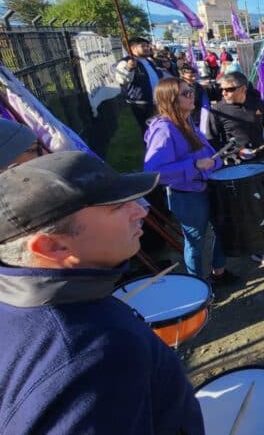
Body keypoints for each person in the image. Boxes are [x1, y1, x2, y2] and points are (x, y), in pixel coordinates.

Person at [0, 151, 205, 433]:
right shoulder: (95, 356)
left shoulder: (18, 306)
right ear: (53, 247)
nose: (141, 211)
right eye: (117, 206)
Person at [144, 78, 237, 285]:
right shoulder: (164, 129)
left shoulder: (186, 122)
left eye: (191, 91)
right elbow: (153, 172)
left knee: (223, 229)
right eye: (186, 93)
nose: (192, 95)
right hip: (187, 197)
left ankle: (219, 273)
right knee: (195, 243)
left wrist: (219, 160)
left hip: (207, 188)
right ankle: (197, 288)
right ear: (171, 100)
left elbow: (206, 155)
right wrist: (194, 165)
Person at [206, 72, 264, 266]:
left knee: (263, 204)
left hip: (260, 161)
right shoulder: (218, 110)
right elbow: (211, 143)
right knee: (248, 209)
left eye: (229, 89)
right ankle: (257, 249)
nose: (224, 93)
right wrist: (235, 152)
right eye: (222, 89)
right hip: (236, 167)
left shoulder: (257, 103)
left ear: (243, 89)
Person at [114, 36, 164, 134]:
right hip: (141, 103)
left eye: (147, 46)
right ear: (132, 48)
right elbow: (122, 79)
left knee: (161, 126)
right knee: (149, 130)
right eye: (143, 46)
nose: (147, 48)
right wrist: (129, 68)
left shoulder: (149, 61)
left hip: (157, 100)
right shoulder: (125, 62)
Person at [179, 64, 209, 132]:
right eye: (190, 76)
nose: (194, 78)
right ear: (182, 75)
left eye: (195, 76)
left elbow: (204, 102)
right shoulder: (178, 88)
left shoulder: (199, 86)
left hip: (198, 117)